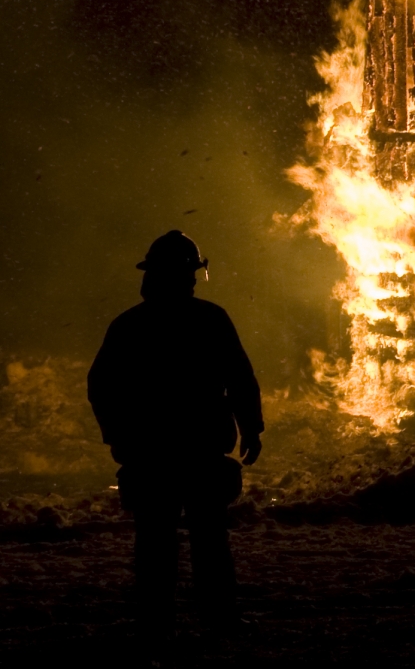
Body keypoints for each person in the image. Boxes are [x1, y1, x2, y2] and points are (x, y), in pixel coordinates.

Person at [88, 230, 263, 643]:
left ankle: (155, 625)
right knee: (209, 541)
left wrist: (119, 436)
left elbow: (101, 386)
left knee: (155, 544)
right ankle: (218, 619)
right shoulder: (210, 319)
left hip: (151, 454)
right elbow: (240, 378)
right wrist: (251, 427)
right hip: (199, 451)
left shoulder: (130, 325)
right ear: (190, 274)